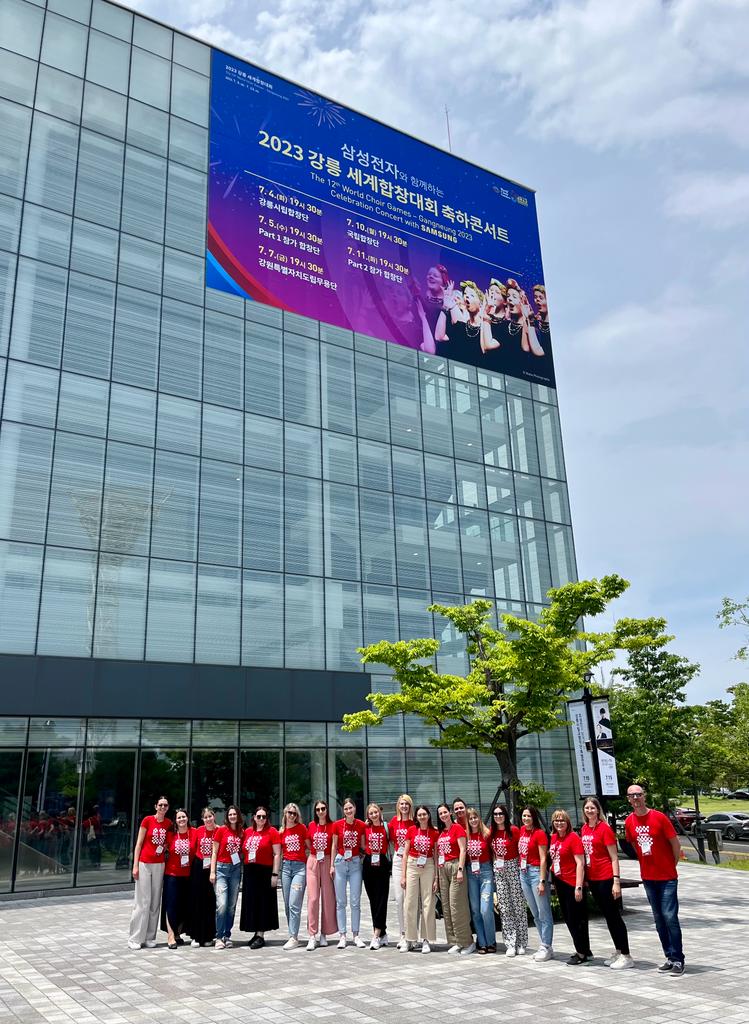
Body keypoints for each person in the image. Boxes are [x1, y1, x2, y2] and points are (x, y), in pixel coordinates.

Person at [625, 784, 684, 975]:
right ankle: (669, 956)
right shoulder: (629, 821)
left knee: (670, 917)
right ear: (628, 799)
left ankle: (678, 959)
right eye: (632, 795)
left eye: (638, 794)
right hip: (648, 878)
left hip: (667, 877)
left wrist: (671, 865)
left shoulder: (659, 817)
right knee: (659, 919)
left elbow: (675, 844)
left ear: (644, 796)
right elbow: (634, 845)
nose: (636, 798)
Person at [581, 797, 633, 969]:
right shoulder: (585, 828)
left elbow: (614, 857)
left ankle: (626, 955)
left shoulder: (604, 828)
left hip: (605, 878)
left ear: (598, 810)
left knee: (614, 916)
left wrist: (616, 881)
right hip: (593, 878)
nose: (589, 811)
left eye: (592, 808)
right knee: (608, 917)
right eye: (587, 808)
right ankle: (618, 951)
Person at [128, 796, 171, 950]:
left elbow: (169, 842)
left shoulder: (168, 823)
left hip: (159, 864)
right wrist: (135, 866)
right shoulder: (147, 820)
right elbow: (139, 844)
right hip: (144, 863)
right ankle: (135, 938)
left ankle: (149, 937)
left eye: (165, 805)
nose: (163, 807)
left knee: (154, 902)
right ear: (155, 806)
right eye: (160, 805)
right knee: (143, 901)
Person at [549, 809, 591, 965]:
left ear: (568, 822)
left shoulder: (573, 838)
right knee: (569, 918)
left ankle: (581, 953)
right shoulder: (554, 837)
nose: (559, 823)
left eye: (562, 820)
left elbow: (580, 863)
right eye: (556, 820)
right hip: (560, 881)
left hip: (572, 883)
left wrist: (578, 887)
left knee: (575, 919)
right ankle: (584, 949)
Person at [489, 804, 527, 957]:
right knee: (505, 908)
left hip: (513, 866)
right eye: (495, 814)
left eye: (500, 813)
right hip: (499, 870)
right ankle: (510, 943)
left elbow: (521, 850)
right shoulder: (491, 832)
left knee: (518, 906)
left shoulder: (514, 830)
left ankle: (521, 942)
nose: (498, 816)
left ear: (505, 815)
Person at [240, 805, 281, 948]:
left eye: (264, 816)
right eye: (259, 816)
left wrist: (275, 874)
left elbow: (277, 854)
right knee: (252, 902)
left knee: (263, 903)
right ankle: (255, 932)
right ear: (254, 817)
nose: (261, 819)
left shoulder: (272, 832)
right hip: (250, 872)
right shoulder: (248, 831)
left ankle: (260, 934)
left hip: (265, 871)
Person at [436, 803, 473, 955]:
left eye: (445, 812)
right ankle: (456, 941)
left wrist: (460, 870)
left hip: (455, 866)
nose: (443, 815)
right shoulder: (441, 832)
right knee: (446, 906)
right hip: (443, 868)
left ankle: (467, 942)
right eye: (440, 813)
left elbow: (463, 849)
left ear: (450, 813)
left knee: (457, 905)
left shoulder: (457, 828)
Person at [401, 804, 439, 953]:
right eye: (419, 815)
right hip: (412, 864)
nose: (422, 817)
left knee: (428, 903)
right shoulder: (411, 830)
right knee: (410, 902)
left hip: (428, 865)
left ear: (428, 816)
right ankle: (409, 938)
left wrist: (436, 877)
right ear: (416, 817)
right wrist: (403, 875)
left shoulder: (434, 832)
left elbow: (436, 856)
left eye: (424, 814)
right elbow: (405, 854)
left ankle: (426, 939)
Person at [518, 805, 554, 961]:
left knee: (544, 912)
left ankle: (546, 945)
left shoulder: (539, 833)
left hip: (535, 873)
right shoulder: (522, 831)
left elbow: (543, 858)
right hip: (523, 872)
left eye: (529, 816)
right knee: (535, 913)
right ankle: (545, 945)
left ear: (534, 818)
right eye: (524, 816)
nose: (526, 819)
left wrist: (542, 880)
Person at [330, 797, 366, 948]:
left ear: (355, 808)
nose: (348, 810)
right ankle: (342, 935)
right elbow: (333, 846)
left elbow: (363, 845)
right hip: (340, 862)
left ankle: (356, 935)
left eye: (351, 808)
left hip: (355, 864)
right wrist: (332, 865)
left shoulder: (361, 825)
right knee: (341, 902)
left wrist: (360, 857)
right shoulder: (337, 825)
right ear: (343, 811)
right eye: (346, 809)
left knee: (355, 901)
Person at [209, 804, 244, 949]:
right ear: (227, 817)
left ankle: (227, 935)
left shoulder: (241, 832)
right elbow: (214, 852)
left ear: (238, 816)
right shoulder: (221, 830)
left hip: (235, 870)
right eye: (230, 814)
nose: (232, 817)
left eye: (234, 814)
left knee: (231, 906)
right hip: (221, 869)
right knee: (222, 904)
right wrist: (212, 871)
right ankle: (219, 936)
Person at [306, 799, 337, 950]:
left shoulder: (332, 825)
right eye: (318, 809)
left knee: (328, 898)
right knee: (313, 898)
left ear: (327, 810)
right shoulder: (311, 825)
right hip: (313, 861)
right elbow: (308, 842)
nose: (320, 812)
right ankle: (312, 935)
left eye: (323, 809)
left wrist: (332, 865)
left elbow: (334, 846)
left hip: (327, 860)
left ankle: (325, 933)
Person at [161, 808, 194, 949]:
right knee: (171, 905)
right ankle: (170, 935)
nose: (181, 819)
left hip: (188, 876)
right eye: (179, 818)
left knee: (184, 905)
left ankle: (178, 933)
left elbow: (211, 828)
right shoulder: (170, 835)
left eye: (183, 817)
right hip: (172, 875)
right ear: (175, 821)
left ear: (187, 818)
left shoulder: (194, 832)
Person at [465, 807, 496, 953]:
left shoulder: (486, 834)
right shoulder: (466, 836)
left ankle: (491, 941)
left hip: (485, 871)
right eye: (470, 818)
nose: (473, 820)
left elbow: (494, 854)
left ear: (479, 818)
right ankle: (482, 942)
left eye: (475, 817)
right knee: (476, 910)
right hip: (471, 872)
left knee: (485, 909)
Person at [279, 802, 309, 949]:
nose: (291, 815)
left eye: (294, 813)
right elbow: (278, 852)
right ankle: (292, 934)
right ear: (285, 814)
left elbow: (310, 847)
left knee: (294, 903)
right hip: (285, 868)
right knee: (287, 904)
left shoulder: (301, 828)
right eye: (289, 813)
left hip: (299, 869)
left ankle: (293, 937)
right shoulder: (281, 831)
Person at [388, 794, 415, 950]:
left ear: (410, 806)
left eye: (407, 804)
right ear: (398, 806)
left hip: (412, 862)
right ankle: (403, 934)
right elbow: (390, 839)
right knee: (399, 899)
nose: (404, 806)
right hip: (398, 861)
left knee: (411, 901)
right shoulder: (393, 822)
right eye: (401, 804)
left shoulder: (414, 822)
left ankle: (413, 934)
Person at [362, 802, 391, 949]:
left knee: (382, 899)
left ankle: (376, 934)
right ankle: (383, 933)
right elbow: (362, 844)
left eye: (375, 812)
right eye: (371, 813)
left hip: (382, 862)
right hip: (368, 863)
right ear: (368, 815)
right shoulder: (365, 827)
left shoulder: (387, 827)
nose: (374, 815)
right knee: (373, 900)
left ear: (379, 812)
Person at [189, 807, 218, 947]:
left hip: (214, 868)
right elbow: (193, 848)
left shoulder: (220, 830)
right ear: (202, 819)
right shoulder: (199, 830)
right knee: (198, 901)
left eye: (210, 816)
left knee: (210, 902)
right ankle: (196, 936)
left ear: (214, 816)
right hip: (199, 867)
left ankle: (209, 935)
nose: (208, 819)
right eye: (205, 817)